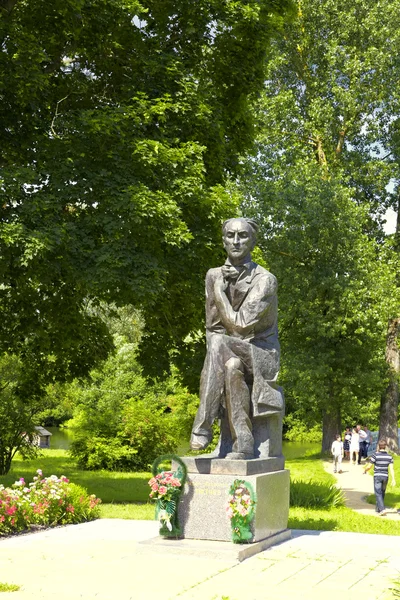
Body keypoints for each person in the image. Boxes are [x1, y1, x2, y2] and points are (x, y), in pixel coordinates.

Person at [190, 217, 283, 459]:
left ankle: (202, 425)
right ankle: (243, 443)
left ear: (253, 242)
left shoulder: (265, 280)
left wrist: (220, 292)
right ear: (223, 241)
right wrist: (218, 286)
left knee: (221, 344)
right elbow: (213, 327)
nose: (236, 240)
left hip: (262, 355)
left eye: (242, 236)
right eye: (230, 235)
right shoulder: (213, 275)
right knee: (230, 365)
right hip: (229, 353)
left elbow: (240, 327)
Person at [363, 438, 396, 516]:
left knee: (378, 493)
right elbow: (391, 469)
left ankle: (382, 509)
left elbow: (370, 466)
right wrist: (393, 479)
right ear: (385, 446)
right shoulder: (389, 457)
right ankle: (378, 509)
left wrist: (365, 470)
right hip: (385, 477)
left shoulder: (375, 455)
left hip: (377, 476)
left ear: (379, 446)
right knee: (382, 492)